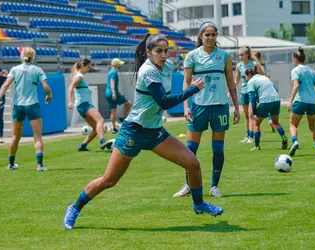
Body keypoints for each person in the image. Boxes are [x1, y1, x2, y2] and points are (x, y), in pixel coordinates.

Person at [63, 33, 223, 230]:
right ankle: (74, 208)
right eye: (159, 51)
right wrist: (192, 90)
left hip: (154, 131)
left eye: (166, 51)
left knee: (193, 164)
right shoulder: (147, 71)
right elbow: (164, 101)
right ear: (148, 53)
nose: (164, 55)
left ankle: (199, 204)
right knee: (109, 180)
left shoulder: (169, 66)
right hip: (134, 131)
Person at [173, 22, 240, 198]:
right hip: (198, 107)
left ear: (216, 36)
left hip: (219, 107)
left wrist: (237, 108)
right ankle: (188, 185)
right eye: (207, 34)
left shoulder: (224, 56)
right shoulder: (192, 56)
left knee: (218, 148)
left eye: (213, 34)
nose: (210, 38)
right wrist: (186, 106)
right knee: (190, 149)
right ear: (200, 36)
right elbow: (186, 83)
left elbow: (231, 84)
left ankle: (214, 186)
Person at [0, 47, 52, 171]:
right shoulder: (38, 70)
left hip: (18, 106)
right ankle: (40, 165)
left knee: (16, 136)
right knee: (37, 137)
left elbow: (5, 85)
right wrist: (49, 95)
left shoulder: (15, 69)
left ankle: (11, 164)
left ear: (22, 56)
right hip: (32, 105)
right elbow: (46, 87)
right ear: (33, 57)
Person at [288, 47, 315, 156]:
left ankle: (294, 141)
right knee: (312, 126)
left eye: (292, 58)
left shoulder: (295, 70)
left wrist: (290, 101)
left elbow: (296, 86)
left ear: (295, 58)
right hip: (311, 103)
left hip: (300, 101)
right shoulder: (312, 71)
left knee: (292, 124)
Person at [67, 59, 113, 151]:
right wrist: (70, 101)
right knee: (100, 120)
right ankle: (102, 141)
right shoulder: (79, 76)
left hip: (81, 106)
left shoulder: (78, 75)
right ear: (83, 66)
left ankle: (83, 146)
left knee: (96, 128)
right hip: (85, 104)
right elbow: (70, 87)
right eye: (88, 67)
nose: (89, 69)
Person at [246, 68, 288, 150]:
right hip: (276, 100)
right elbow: (275, 89)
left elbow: (252, 98)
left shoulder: (251, 82)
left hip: (266, 101)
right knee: (275, 122)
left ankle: (256, 145)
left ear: (249, 75)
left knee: (256, 123)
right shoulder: (264, 77)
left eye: (245, 77)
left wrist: (254, 113)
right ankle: (284, 136)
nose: (246, 79)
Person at [235, 46, 265, 143]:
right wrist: (231, 90)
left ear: (247, 55)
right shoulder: (239, 66)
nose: (240, 57)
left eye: (242, 55)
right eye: (239, 55)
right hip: (244, 92)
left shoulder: (254, 64)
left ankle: (252, 136)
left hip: (253, 92)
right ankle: (248, 135)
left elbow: (262, 75)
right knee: (247, 116)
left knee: (252, 114)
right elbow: (237, 80)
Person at [105, 58, 132, 134]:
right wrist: (114, 92)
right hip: (114, 93)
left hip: (107, 93)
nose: (120, 66)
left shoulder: (109, 72)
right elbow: (112, 82)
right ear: (116, 65)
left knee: (113, 111)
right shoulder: (114, 72)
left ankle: (113, 128)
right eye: (119, 64)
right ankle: (121, 118)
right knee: (129, 104)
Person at [253, 51, 276, 132]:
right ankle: (270, 120)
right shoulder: (263, 64)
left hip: (259, 88)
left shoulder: (255, 65)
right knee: (267, 104)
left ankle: (257, 123)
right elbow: (269, 75)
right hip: (268, 87)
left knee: (258, 104)